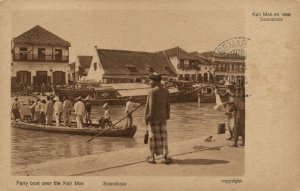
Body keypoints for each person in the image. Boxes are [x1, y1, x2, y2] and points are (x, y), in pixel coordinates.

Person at [144, 72, 171, 164]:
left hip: (153, 118)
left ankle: (152, 157)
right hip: (163, 118)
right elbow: (168, 107)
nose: (149, 82)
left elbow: (150, 107)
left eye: (150, 80)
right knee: (163, 137)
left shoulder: (151, 91)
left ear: (154, 81)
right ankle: (165, 157)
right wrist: (166, 116)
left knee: (152, 137)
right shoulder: (166, 91)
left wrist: (147, 118)